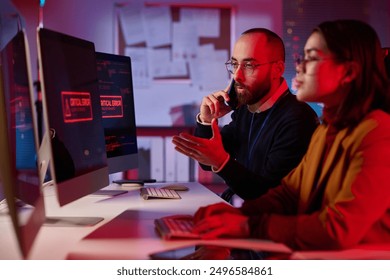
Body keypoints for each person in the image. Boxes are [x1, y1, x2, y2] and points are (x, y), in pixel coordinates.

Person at [191, 19, 390, 251]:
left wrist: (247, 225)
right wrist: (233, 215)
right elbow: (289, 194)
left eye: (312, 58)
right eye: (301, 57)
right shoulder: (328, 130)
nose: (299, 66)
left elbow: (337, 230)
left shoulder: (377, 135)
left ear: (348, 72)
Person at [172, 28, 318, 201]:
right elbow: (207, 162)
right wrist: (206, 120)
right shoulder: (247, 108)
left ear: (277, 69)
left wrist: (222, 163)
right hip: (239, 209)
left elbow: (269, 195)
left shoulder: (298, 119)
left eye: (249, 65)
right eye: (234, 64)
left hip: (268, 221)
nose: (237, 76)